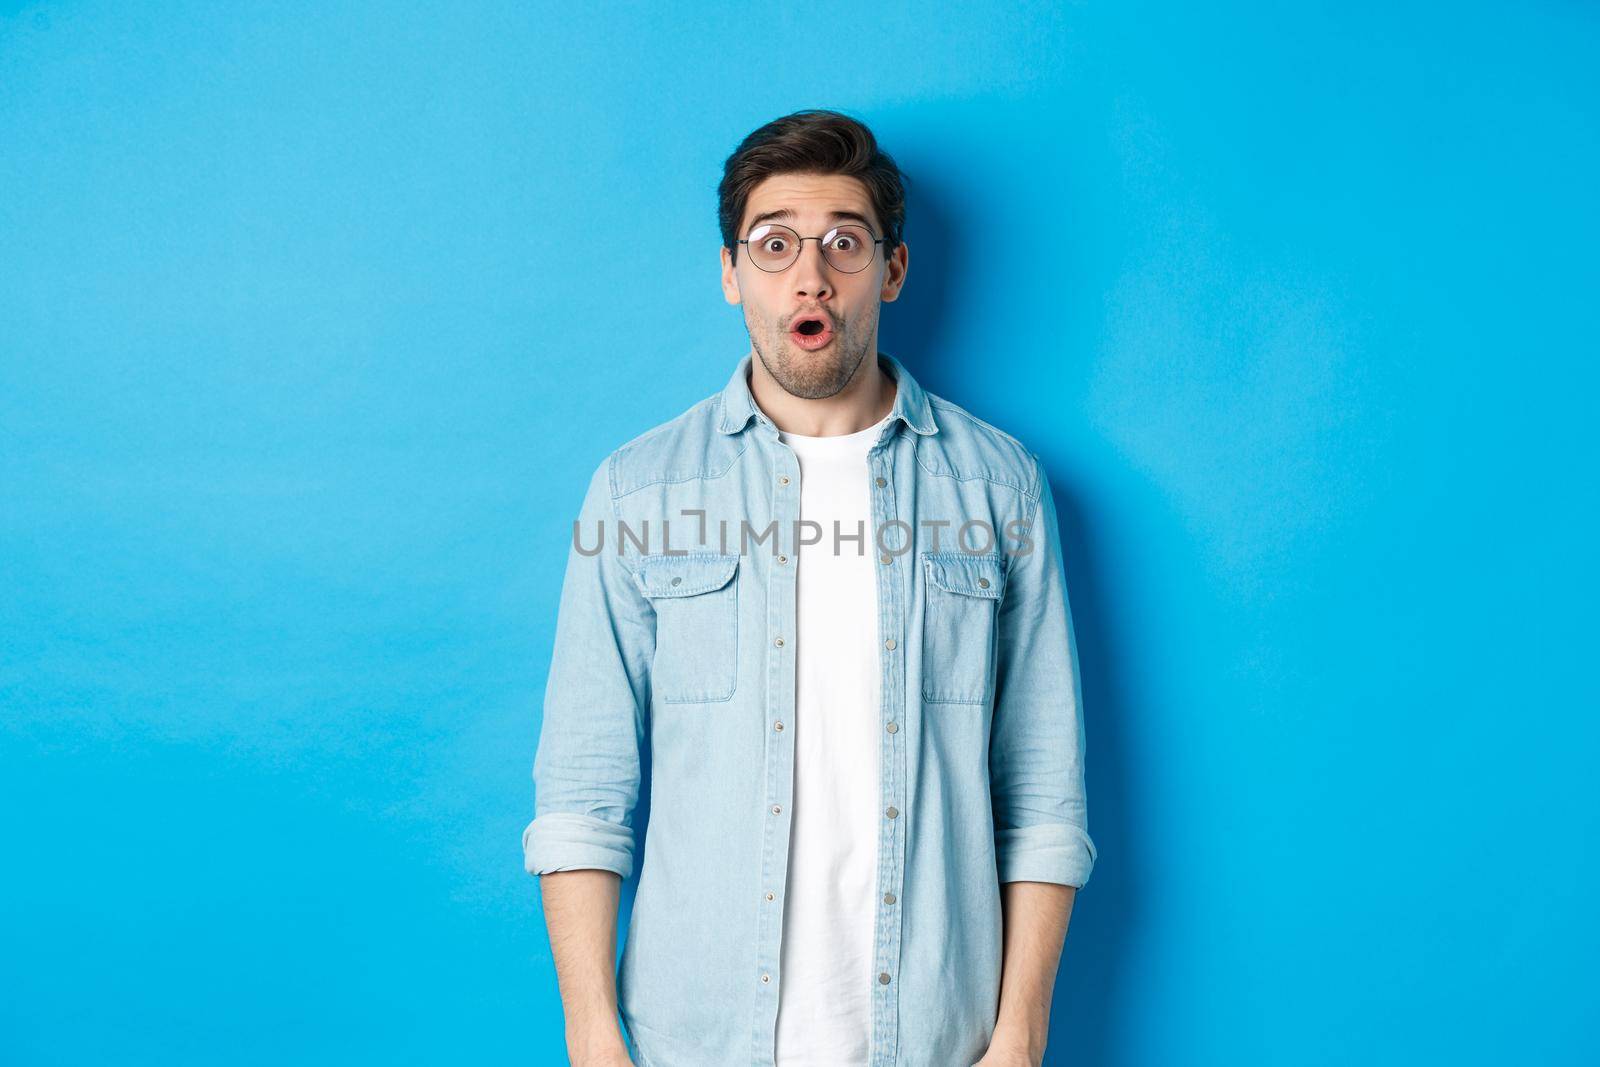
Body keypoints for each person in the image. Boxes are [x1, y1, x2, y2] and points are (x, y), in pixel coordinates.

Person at [521, 108, 1096, 1067]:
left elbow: (1043, 792)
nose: (810, 272)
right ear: (731, 273)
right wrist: (592, 1036)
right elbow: (583, 789)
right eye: (775, 241)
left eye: (844, 241)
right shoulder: (638, 491)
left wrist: (1019, 1037)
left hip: (934, 1040)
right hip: (693, 1042)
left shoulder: (1000, 487)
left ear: (893, 269)